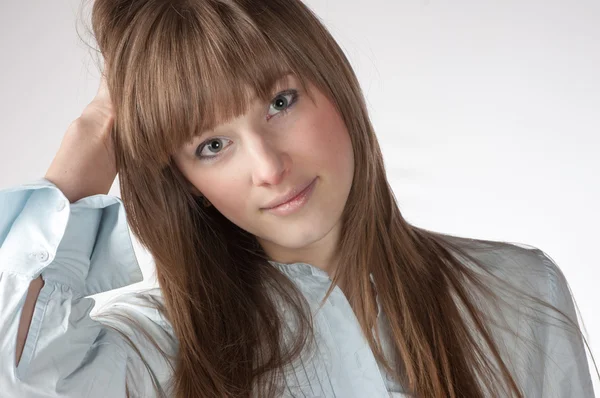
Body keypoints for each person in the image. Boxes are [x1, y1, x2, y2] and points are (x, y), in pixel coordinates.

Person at [0, 0, 597, 397]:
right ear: (185, 181)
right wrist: (98, 125)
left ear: (333, 82)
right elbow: (17, 372)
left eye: (280, 102)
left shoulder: (521, 292)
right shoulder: (156, 347)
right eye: (211, 144)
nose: (269, 167)